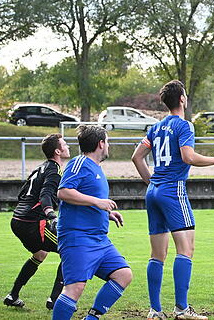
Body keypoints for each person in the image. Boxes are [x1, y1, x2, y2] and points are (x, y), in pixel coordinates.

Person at [131, 80, 214, 320]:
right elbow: (188, 157)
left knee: (157, 255)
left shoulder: (155, 128)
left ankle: (155, 311)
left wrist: (152, 183)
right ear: (183, 99)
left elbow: (137, 157)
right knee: (186, 249)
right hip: (173, 191)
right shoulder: (185, 125)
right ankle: (182, 309)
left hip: (153, 193)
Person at [52, 125, 132, 320]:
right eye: (108, 142)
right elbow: (63, 192)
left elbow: (85, 198)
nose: (108, 146)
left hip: (99, 239)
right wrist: (98, 202)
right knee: (75, 288)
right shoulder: (78, 163)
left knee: (123, 275)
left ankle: (91, 318)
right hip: (77, 237)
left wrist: (106, 214)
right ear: (101, 144)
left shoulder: (95, 168)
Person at [5, 133, 70, 310]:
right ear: (58, 151)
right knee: (70, 250)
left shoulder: (41, 168)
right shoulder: (55, 170)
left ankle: (13, 295)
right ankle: (54, 300)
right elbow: (45, 194)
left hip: (17, 220)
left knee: (40, 254)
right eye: (65, 144)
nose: (68, 146)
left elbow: (22, 193)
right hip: (32, 223)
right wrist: (50, 213)